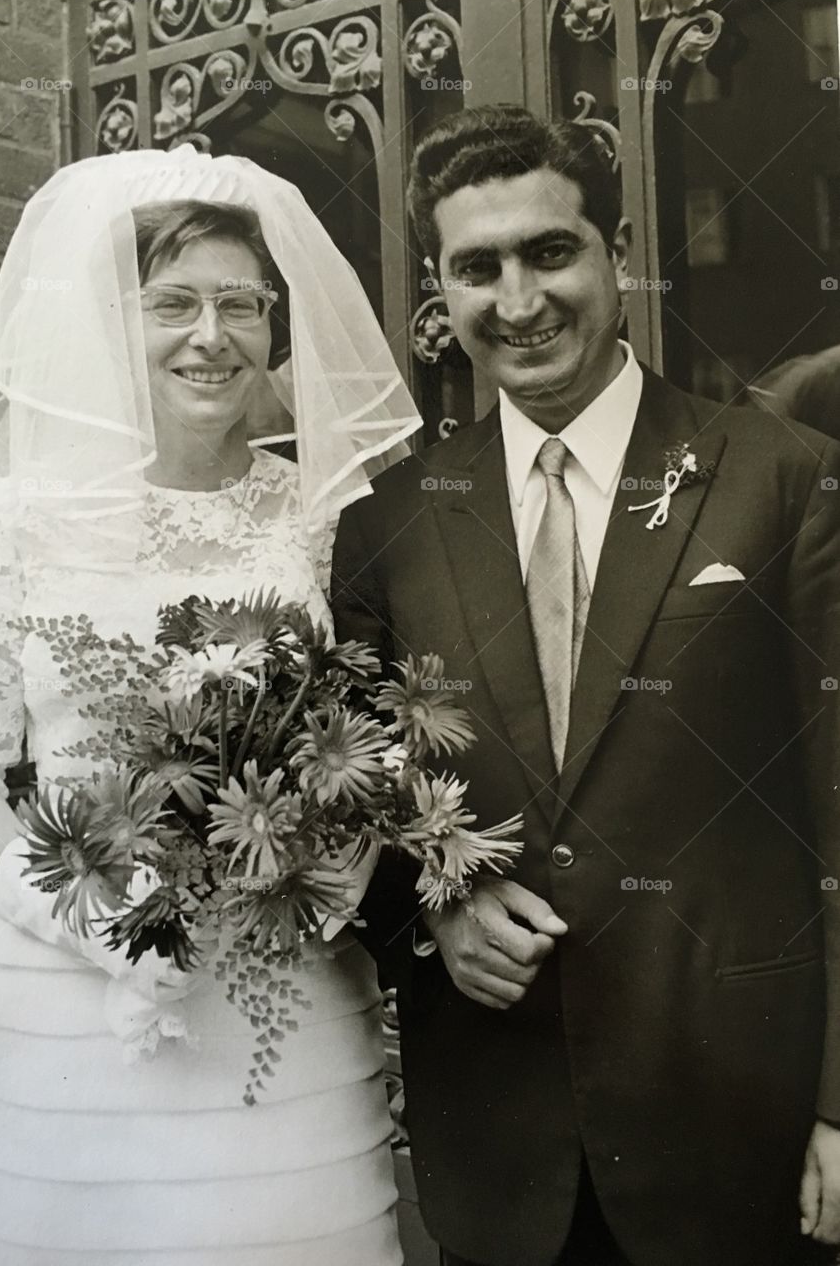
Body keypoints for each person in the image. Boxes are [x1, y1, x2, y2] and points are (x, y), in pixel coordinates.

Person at [331, 104, 840, 1266]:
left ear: (616, 254)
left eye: (548, 251)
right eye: (476, 267)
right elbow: (350, 797)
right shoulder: (389, 523)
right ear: (437, 288)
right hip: (498, 1147)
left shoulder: (782, 478)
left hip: (735, 1130)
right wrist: (433, 907)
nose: (516, 301)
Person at [0, 145, 422, 1265]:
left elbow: (372, 717)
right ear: (117, 321)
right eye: (174, 303)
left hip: (279, 980)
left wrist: (342, 857)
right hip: (75, 993)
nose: (209, 335)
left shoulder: (320, 514)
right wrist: (84, 913)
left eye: (239, 304)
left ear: (272, 326)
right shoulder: (20, 517)